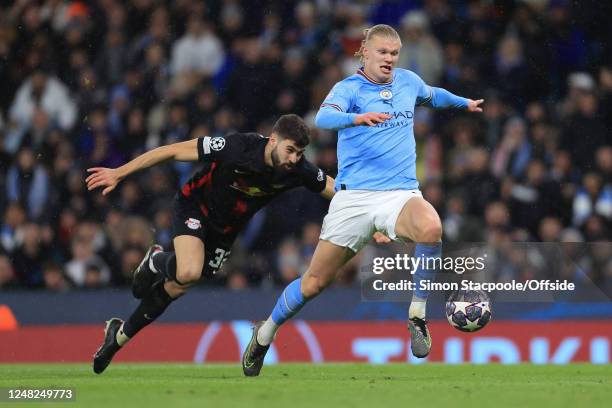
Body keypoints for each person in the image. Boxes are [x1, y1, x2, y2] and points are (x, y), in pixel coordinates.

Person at [242, 24, 483, 376]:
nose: (389, 59)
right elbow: (323, 118)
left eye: (394, 53)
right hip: (354, 198)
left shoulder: (407, 82)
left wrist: (464, 103)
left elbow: (434, 95)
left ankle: (417, 315)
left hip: (399, 193)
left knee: (432, 228)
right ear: (365, 53)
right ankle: (264, 334)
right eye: (382, 52)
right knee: (313, 283)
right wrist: (357, 117)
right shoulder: (348, 89)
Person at [88, 114, 338, 374]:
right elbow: (173, 151)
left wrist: (373, 216)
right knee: (187, 271)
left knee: (179, 285)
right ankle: (154, 260)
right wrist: (120, 172)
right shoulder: (237, 147)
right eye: (290, 150)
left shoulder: (297, 170)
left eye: (300, 153)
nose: (294, 159)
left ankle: (117, 338)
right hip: (195, 206)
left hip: (225, 232)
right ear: (273, 140)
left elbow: (333, 188)